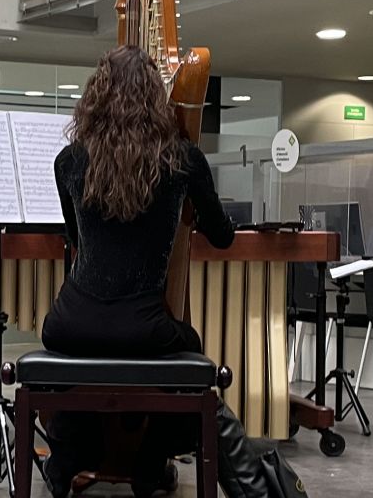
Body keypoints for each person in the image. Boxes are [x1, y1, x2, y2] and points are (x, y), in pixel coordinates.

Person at [40, 45, 279, 498]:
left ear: (96, 96)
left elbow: (77, 241)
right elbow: (222, 236)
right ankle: (150, 462)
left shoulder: (69, 161)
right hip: (141, 328)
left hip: (68, 324)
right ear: (155, 98)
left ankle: (68, 455)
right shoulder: (182, 160)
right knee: (189, 350)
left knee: (90, 362)